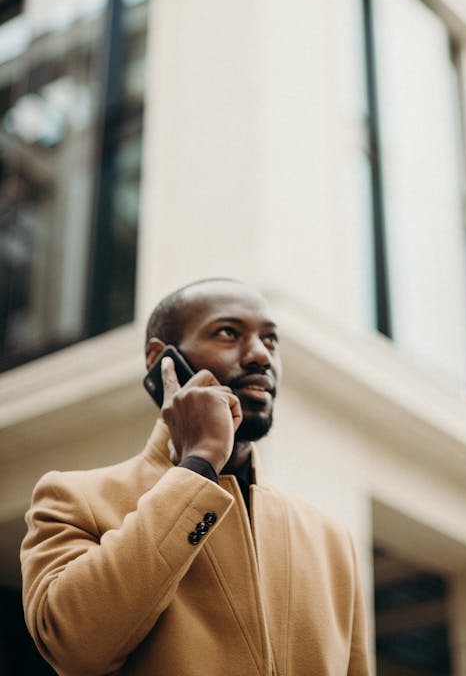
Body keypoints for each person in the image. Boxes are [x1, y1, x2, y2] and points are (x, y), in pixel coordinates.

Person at [21, 278, 371, 676]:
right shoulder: (72, 498)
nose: (261, 355)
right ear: (161, 361)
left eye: (271, 340)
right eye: (228, 333)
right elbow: (77, 647)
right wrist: (200, 464)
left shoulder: (330, 539)